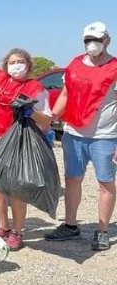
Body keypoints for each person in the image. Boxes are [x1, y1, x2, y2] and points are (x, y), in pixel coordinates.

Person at [0, 30, 52, 251]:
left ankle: (17, 232)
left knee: (16, 189)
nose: (16, 66)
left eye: (21, 62)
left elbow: (47, 119)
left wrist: (30, 112)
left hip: (18, 143)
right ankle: (2, 227)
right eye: (12, 62)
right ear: (6, 65)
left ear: (28, 65)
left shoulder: (36, 88)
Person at [44, 22, 117, 251]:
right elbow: (65, 93)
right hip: (74, 133)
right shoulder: (75, 64)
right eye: (87, 40)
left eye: (96, 39)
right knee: (72, 180)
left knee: (105, 183)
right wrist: (52, 116)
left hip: (105, 136)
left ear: (107, 40)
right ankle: (71, 224)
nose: (91, 44)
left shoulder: (115, 67)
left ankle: (102, 231)